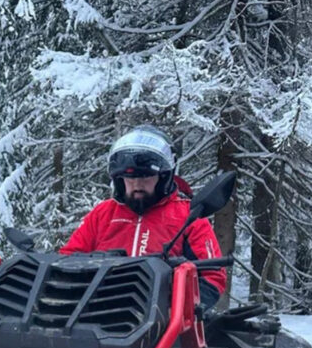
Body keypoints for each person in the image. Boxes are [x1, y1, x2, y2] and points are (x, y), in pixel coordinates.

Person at [60, 125, 226, 309]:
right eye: (130, 178)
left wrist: (187, 305)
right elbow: (67, 259)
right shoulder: (103, 214)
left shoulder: (189, 215)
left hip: (164, 317)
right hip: (98, 312)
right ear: (119, 180)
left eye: (146, 177)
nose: (137, 184)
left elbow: (213, 274)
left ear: (163, 177)